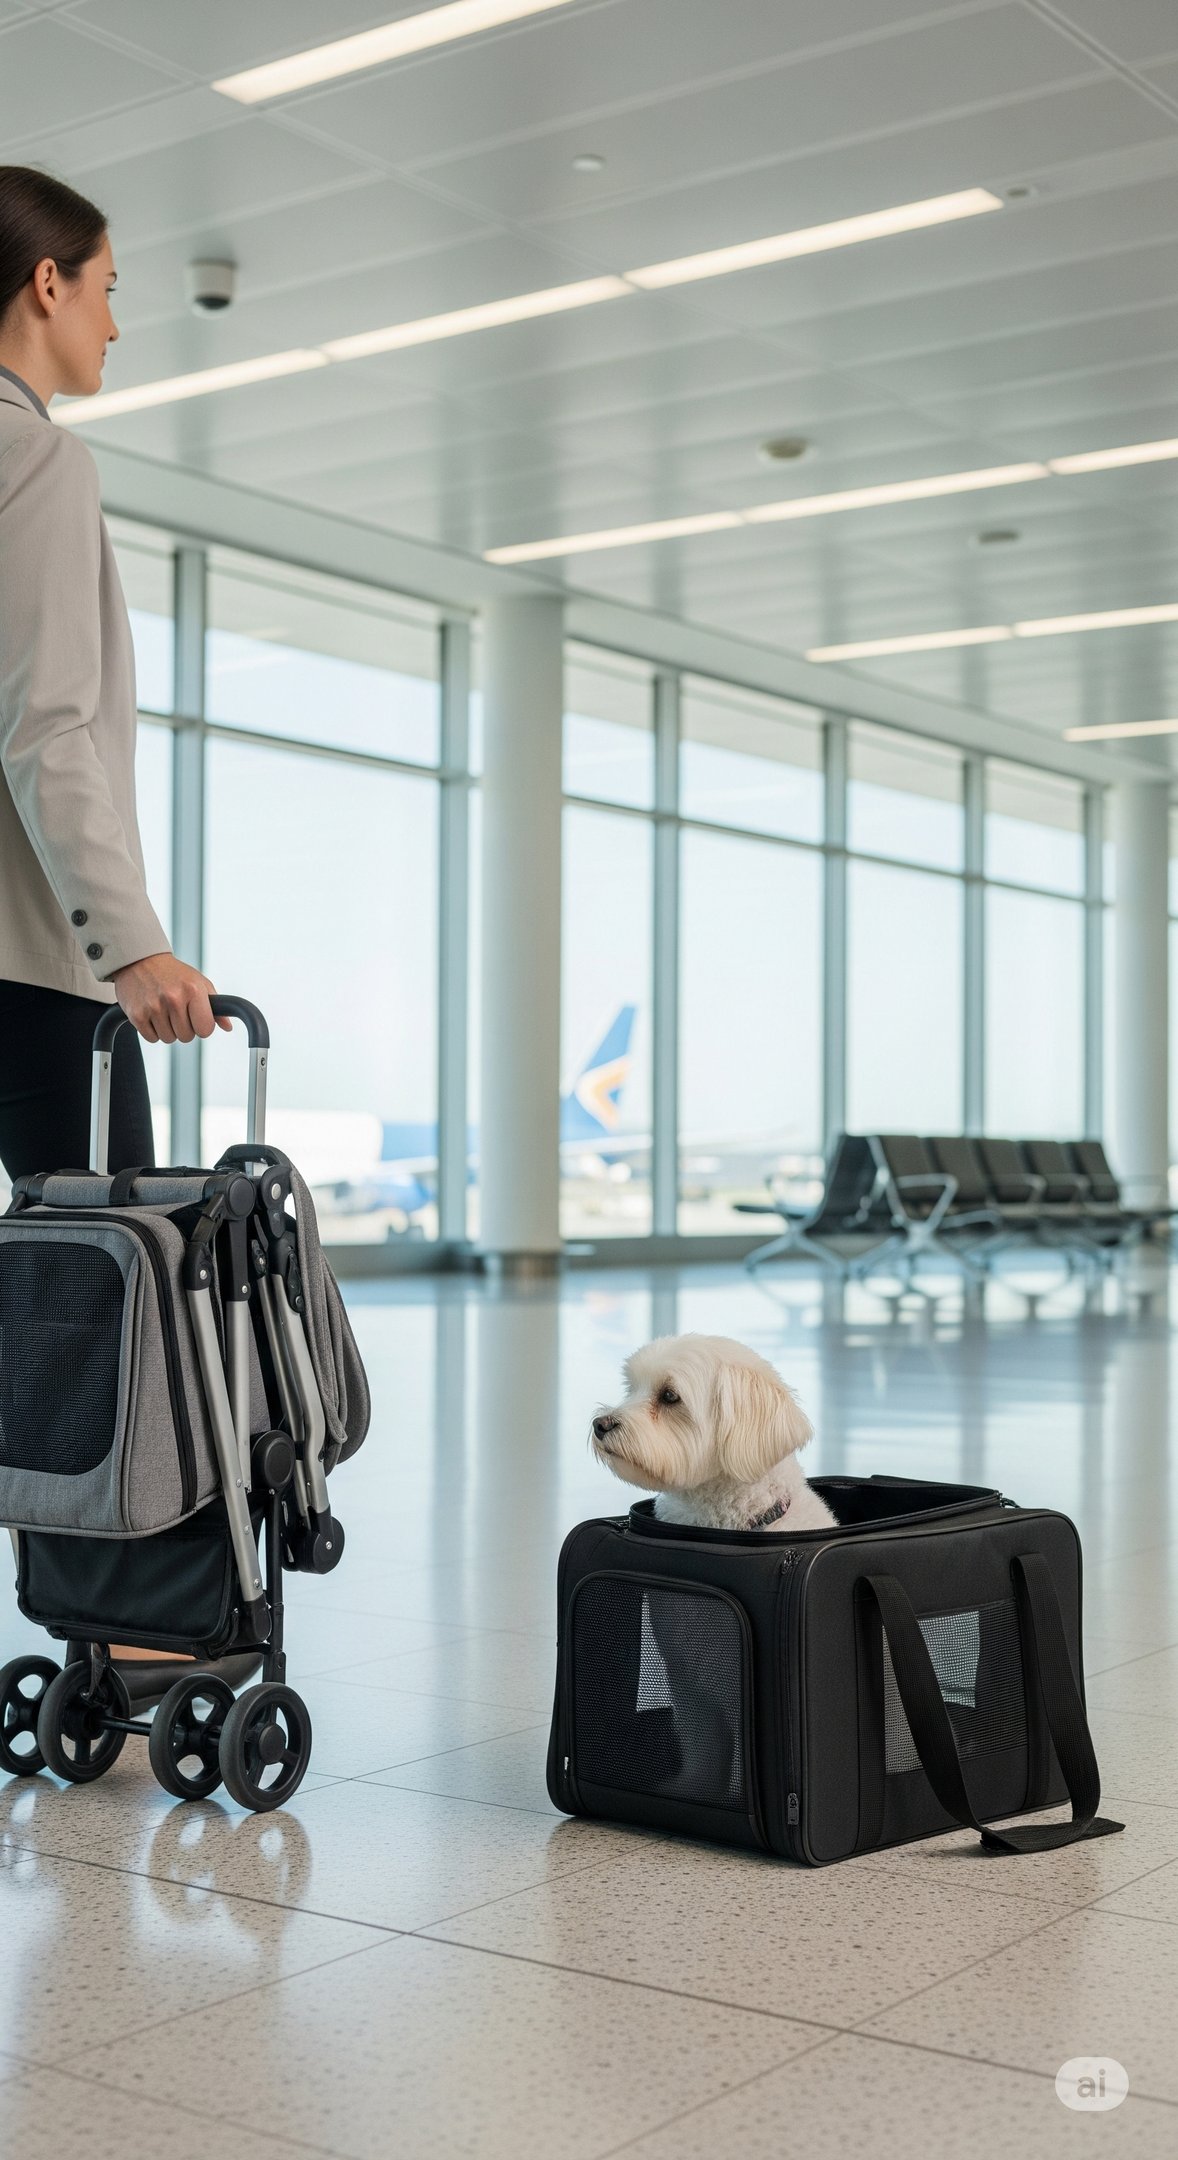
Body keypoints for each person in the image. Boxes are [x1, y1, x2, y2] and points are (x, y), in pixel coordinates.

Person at [0, 165, 238, 1697]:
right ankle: (133, 1625)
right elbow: (47, 726)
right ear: (42, 288)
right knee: (113, 1278)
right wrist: (128, 939)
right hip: (24, 969)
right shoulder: (35, 460)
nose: (114, 321)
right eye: (105, 286)